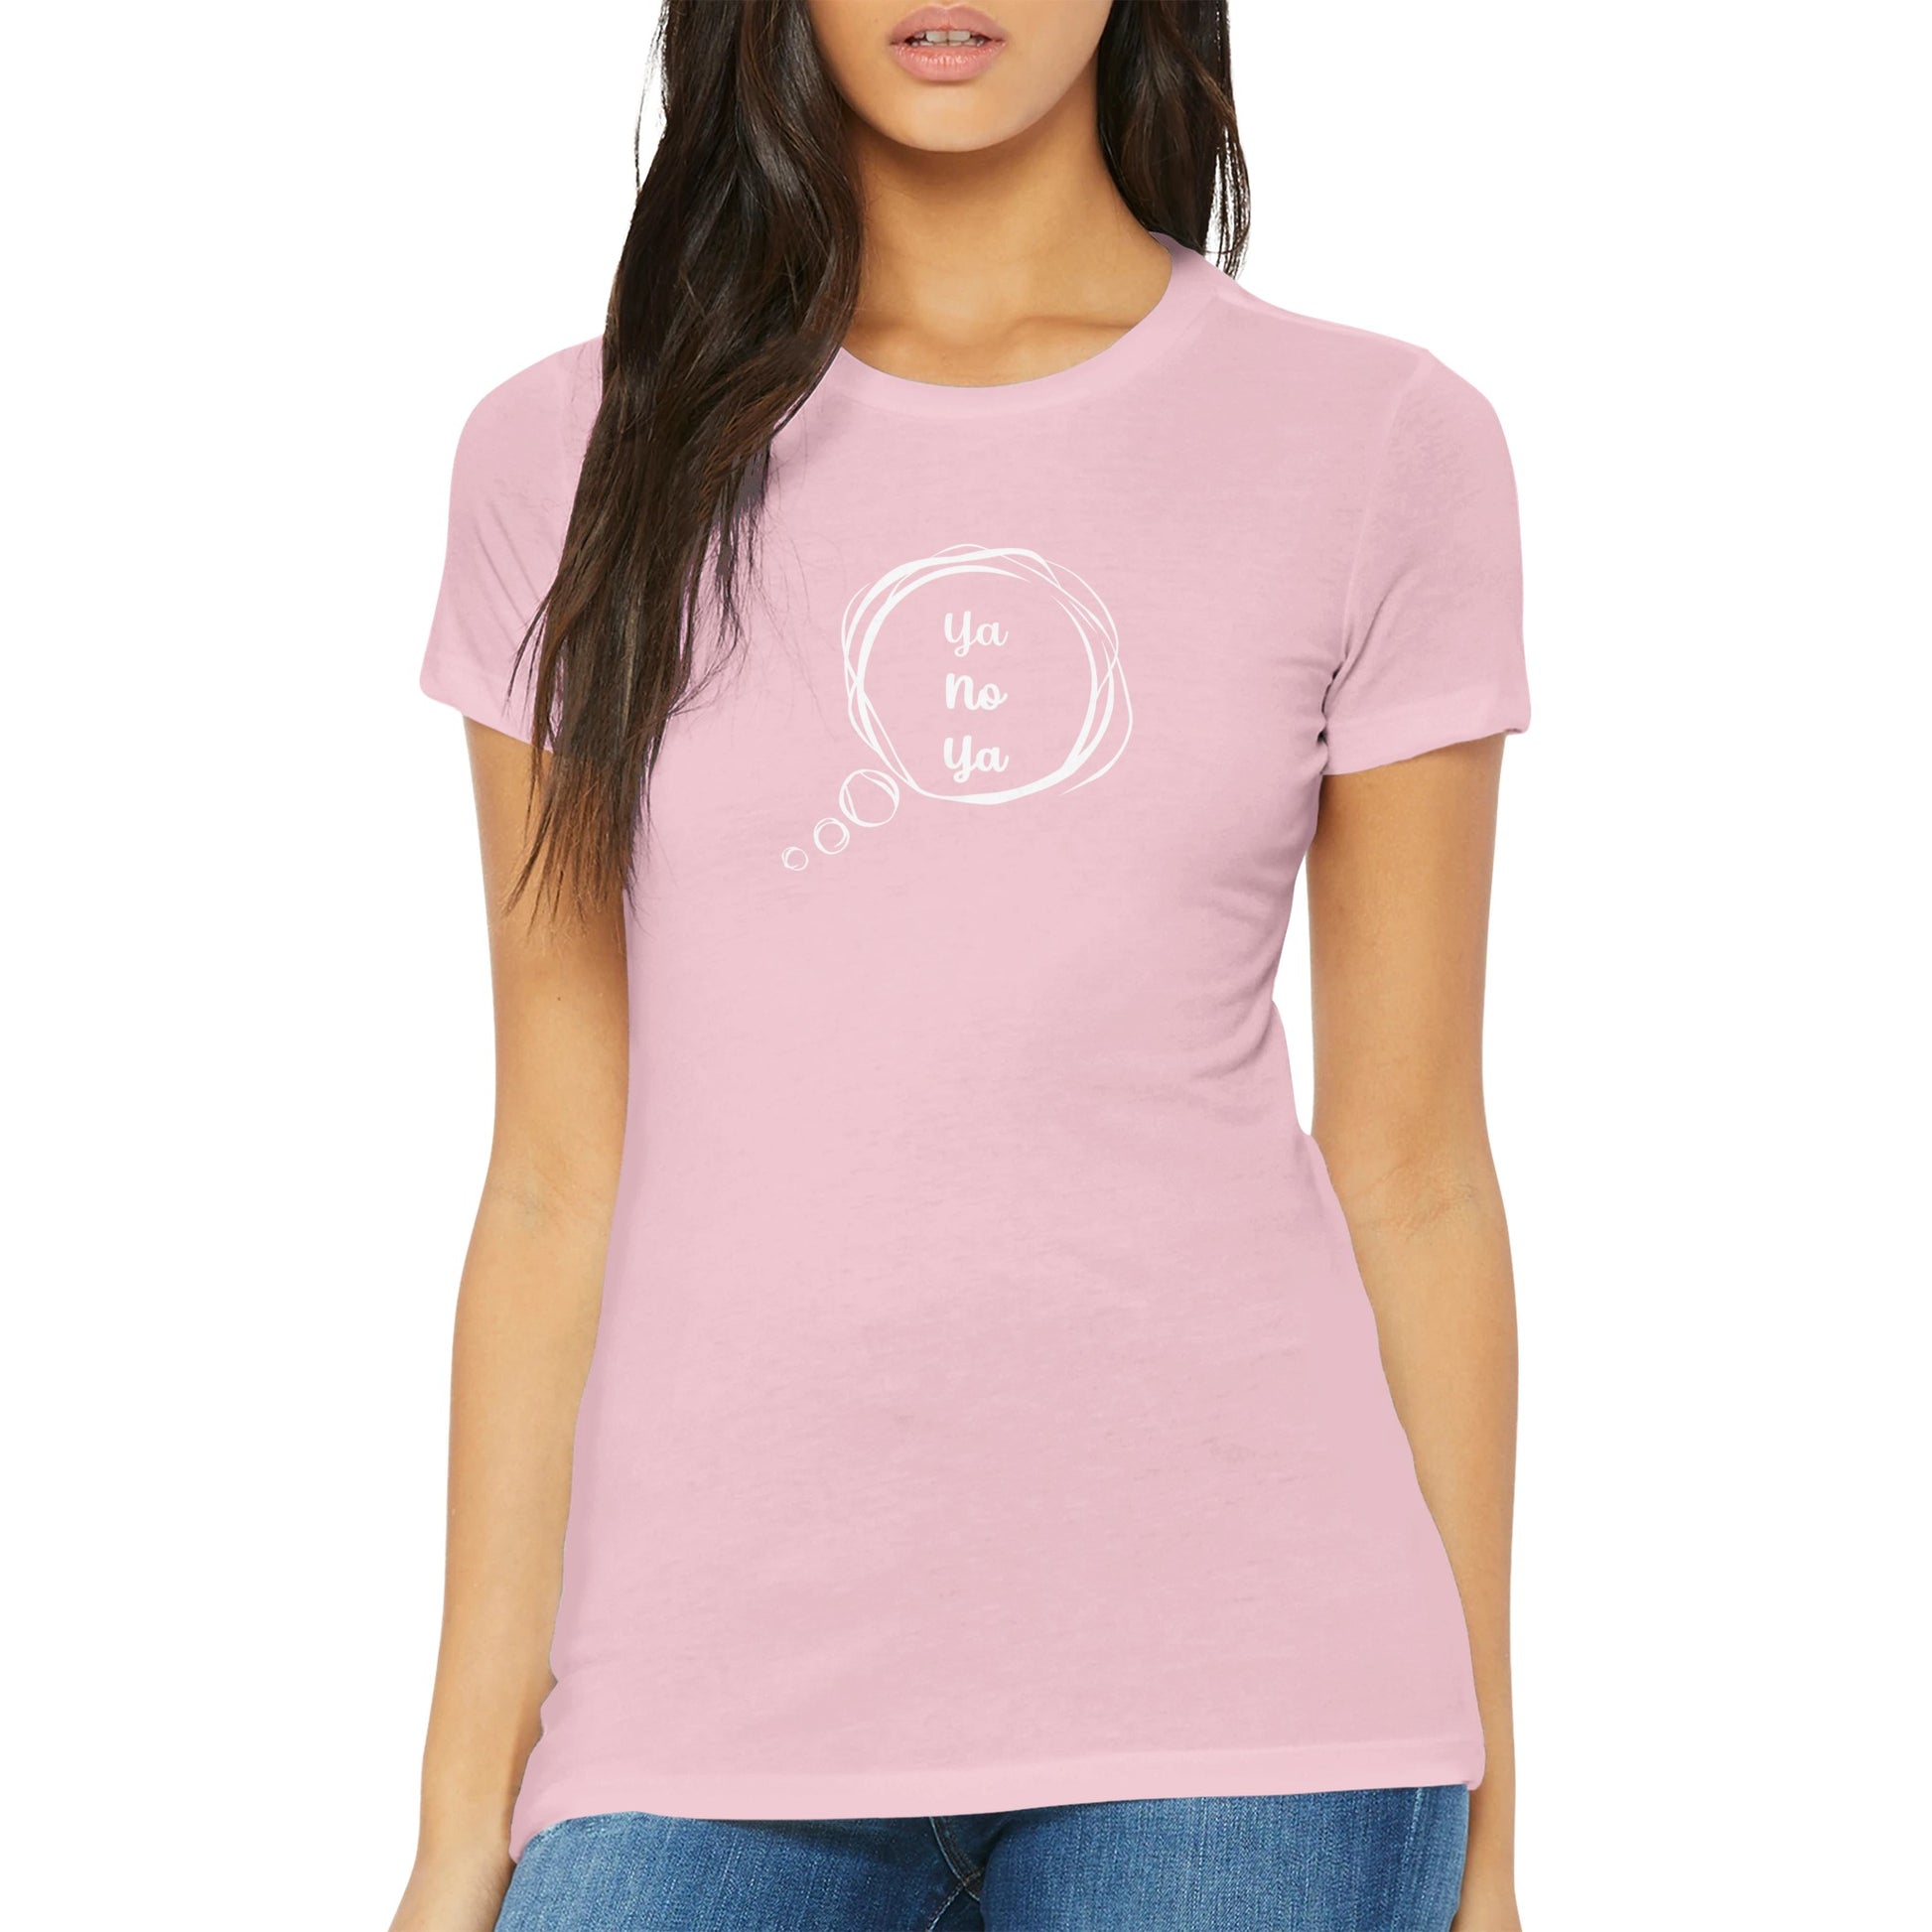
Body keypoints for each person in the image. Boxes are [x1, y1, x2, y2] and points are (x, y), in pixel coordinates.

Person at [390, 3, 1530, 1927]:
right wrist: (454, 1834)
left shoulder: (1374, 441)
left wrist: (1488, 1843)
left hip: (1258, 1711)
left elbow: (1411, 1168)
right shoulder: (569, 453)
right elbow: (554, 1179)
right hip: (701, 1705)